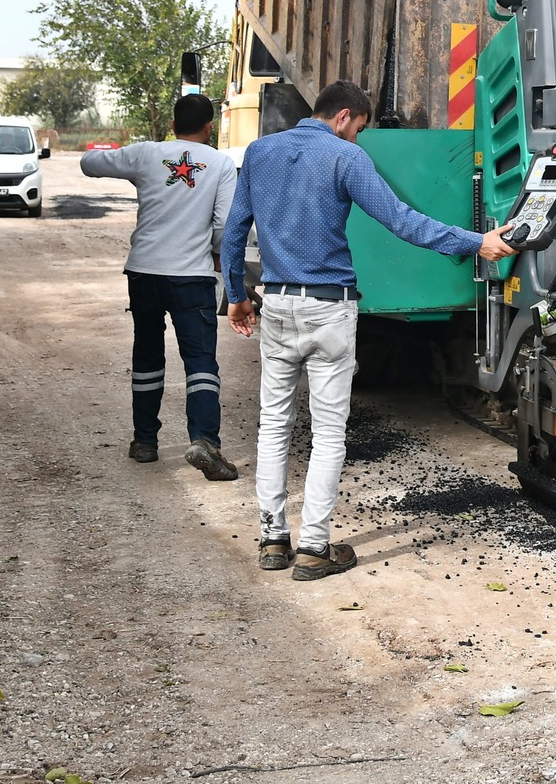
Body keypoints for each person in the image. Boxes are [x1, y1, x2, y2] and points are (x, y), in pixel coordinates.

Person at [222, 81, 516, 580]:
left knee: (274, 423)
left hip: (275, 304)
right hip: (329, 310)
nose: (357, 139)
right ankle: (314, 547)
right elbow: (402, 221)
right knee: (328, 431)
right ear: (343, 117)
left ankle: (273, 540)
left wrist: (234, 296)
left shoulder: (260, 151)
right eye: (358, 129)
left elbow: (232, 231)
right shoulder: (345, 158)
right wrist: (475, 242)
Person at [80, 93, 240, 481]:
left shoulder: (146, 153)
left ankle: (144, 442)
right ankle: (204, 441)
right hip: (191, 276)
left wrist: (123, 156)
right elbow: (224, 227)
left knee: (148, 355)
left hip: (144, 273)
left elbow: (88, 163)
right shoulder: (219, 164)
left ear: (172, 125)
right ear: (210, 127)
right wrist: (220, 258)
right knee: (201, 362)